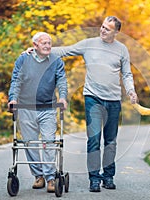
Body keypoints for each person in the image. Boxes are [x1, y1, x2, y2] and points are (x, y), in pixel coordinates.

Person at [49, 16, 137, 192]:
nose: (103, 30)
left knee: (110, 141)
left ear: (116, 32)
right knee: (94, 139)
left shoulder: (121, 50)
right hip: (93, 98)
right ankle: (94, 178)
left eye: (107, 29)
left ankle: (109, 176)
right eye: (102, 27)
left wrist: (131, 91)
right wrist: (40, 50)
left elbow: (127, 74)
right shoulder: (89, 44)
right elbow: (65, 51)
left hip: (113, 100)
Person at [8, 32, 68, 193]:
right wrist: (13, 98)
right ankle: (38, 176)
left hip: (47, 108)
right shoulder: (23, 59)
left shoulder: (56, 61)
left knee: (48, 142)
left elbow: (61, 80)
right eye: (44, 43)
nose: (48, 46)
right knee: (29, 143)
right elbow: (16, 80)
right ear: (35, 46)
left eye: (49, 43)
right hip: (26, 108)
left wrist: (62, 97)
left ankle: (50, 178)